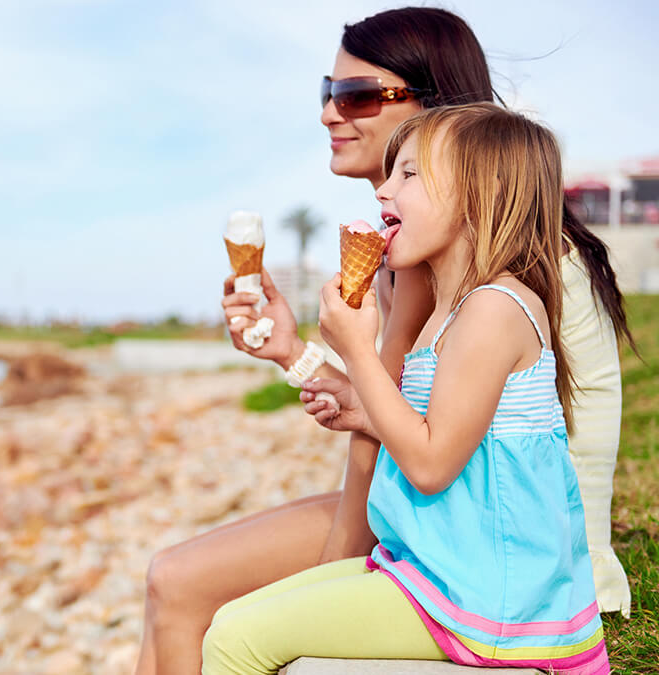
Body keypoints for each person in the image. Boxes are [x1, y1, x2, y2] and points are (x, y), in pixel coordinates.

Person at [135, 8, 632, 675]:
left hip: (499, 558)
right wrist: (291, 350)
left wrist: (348, 557)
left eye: (356, 95)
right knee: (185, 584)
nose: (329, 115)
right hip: (449, 527)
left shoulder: (492, 277)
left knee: (198, 596)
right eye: (327, 93)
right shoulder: (432, 262)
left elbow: (410, 441)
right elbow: (393, 406)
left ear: (432, 108)